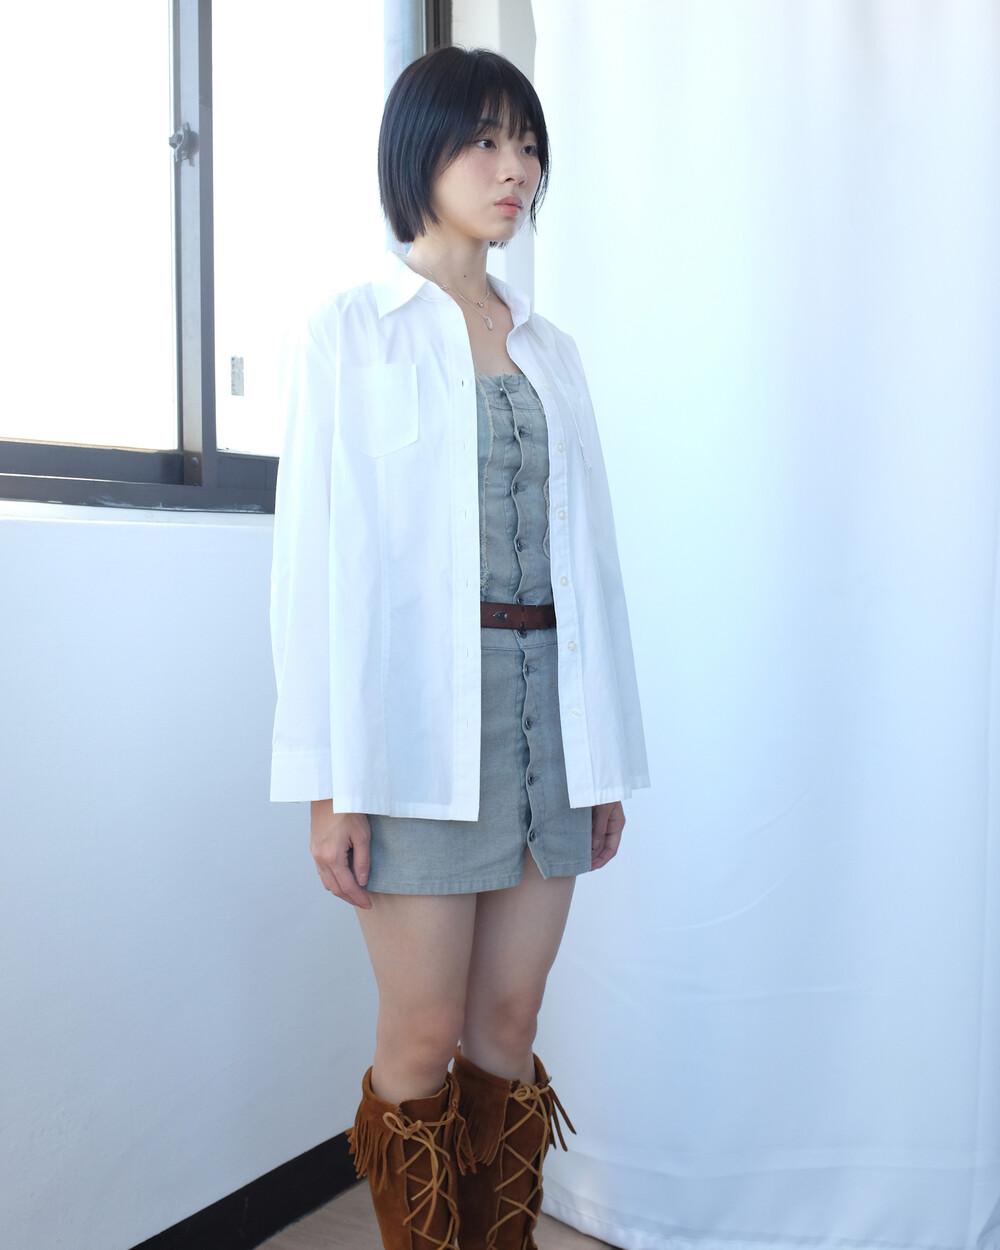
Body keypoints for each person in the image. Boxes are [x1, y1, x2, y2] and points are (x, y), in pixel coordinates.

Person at [270, 44, 648, 1250]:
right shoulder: (352, 334)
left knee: (508, 1025)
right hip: (415, 732)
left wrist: (603, 755)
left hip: (549, 725)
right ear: (418, 153)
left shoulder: (549, 347)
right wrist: (328, 782)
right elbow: (313, 570)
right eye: (484, 140)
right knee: (423, 1035)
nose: (513, 168)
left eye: (526, 143)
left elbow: (591, 563)